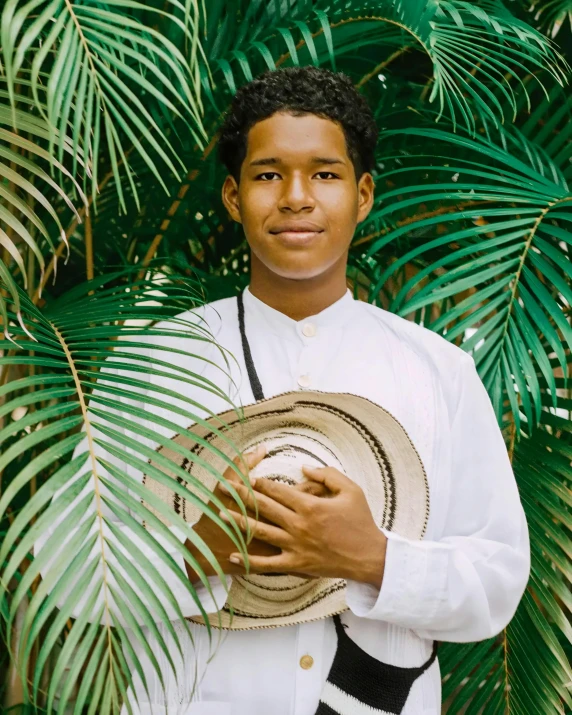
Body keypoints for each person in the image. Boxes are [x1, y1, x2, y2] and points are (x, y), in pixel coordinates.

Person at [37, 66, 530, 714]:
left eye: (325, 174)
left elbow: (496, 580)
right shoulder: (156, 361)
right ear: (234, 197)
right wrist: (192, 553)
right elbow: (64, 565)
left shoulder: (440, 372)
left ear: (364, 194)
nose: (296, 197)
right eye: (269, 174)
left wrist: (375, 557)